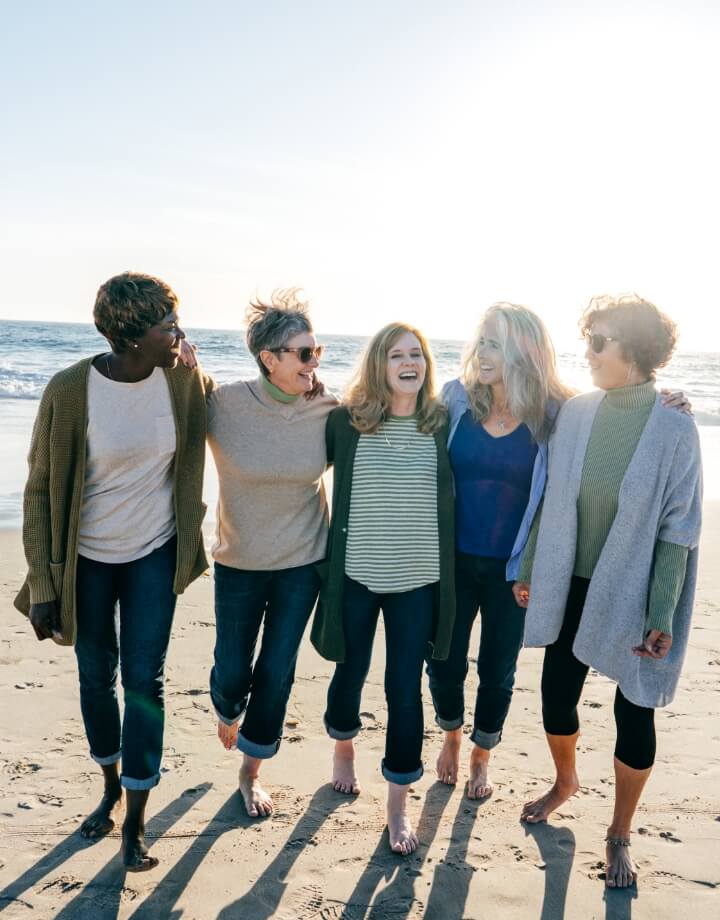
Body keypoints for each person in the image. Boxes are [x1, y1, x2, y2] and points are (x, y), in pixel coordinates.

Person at [14, 272, 213, 872]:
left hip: (154, 551)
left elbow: (238, 422)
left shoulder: (183, 383)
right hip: (87, 561)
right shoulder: (70, 390)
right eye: (166, 324)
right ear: (129, 334)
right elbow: (41, 489)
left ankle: (136, 820)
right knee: (95, 677)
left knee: (144, 681)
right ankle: (109, 785)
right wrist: (44, 585)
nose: (176, 332)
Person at [513, 294, 702, 889]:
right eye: (587, 341)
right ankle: (565, 781)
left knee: (633, 709)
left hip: (636, 589)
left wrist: (663, 610)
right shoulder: (577, 413)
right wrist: (531, 568)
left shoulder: (674, 424)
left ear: (637, 350)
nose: (588, 353)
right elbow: (552, 497)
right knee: (554, 696)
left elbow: (679, 527)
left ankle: (620, 832)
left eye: (600, 342)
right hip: (569, 581)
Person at [311, 322, 456, 855]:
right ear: (379, 364)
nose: (408, 362)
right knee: (349, 671)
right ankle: (343, 747)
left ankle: (397, 806)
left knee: (404, 687)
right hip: (355, 575)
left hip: (417, 581)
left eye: (416, 353)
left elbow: (511, 409)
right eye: (396, 355)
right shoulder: (348, 424)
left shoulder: (443, 423)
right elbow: (295, 436)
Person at [428, 304, 573, 799]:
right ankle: (450, 734)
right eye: (482, 340)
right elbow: (395, 413)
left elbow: (616, 413)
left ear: (524, 352)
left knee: (497, 668)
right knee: (444, 658)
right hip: (450, 563)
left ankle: (481, 752)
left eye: (497, 343)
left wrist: (666, 401)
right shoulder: (455, 399)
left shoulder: (554, 414)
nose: (483, 352)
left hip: (513, 571)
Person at [206, 289, 338, 818]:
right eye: (304, 353)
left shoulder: (328, 410)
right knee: (233, 670)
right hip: (238, 562)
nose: (313, 363)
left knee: (277, 669)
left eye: (317, 353)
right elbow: (166, 417)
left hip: (301, 566)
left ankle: (252, 769)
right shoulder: (222, 405)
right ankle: (225, 705)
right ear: (269, 358)